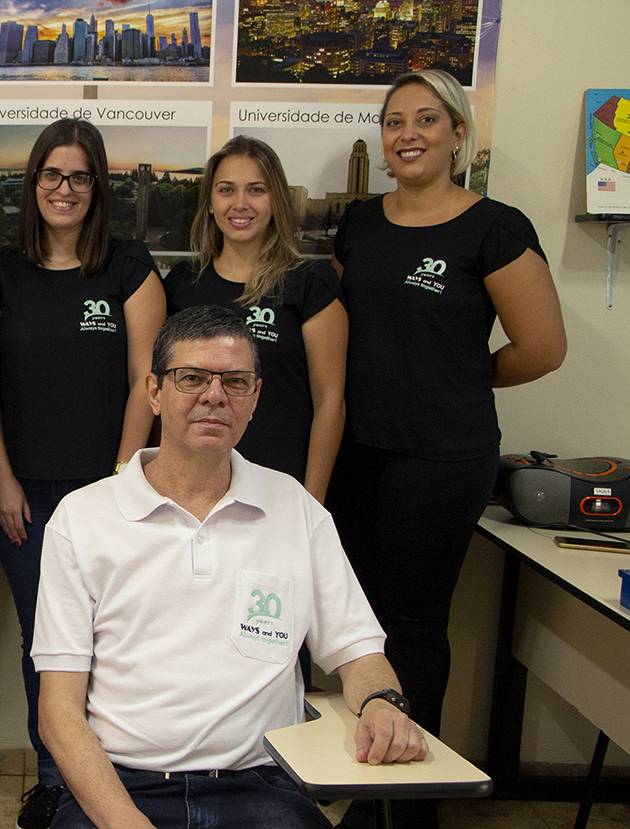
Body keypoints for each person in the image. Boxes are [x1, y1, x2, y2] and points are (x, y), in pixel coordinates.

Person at [33, 306, 428, 829]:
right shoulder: (82, 518)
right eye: (192, 378)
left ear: (255, 398)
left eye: (236, 382)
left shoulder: (295, 509)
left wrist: (382, 703)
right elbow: (58, 713)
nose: (214, 396)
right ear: (154, 391)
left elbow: (359, 653)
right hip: (120, 783)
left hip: (261, 786)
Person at [328, 69, 566, 828]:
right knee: (352, 623)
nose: (408, 134)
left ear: (458, 133)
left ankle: (407, 800)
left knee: (414, 622)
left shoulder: (495, 228)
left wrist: (462, 376)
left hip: (441, 458)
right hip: (355, 453)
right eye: (395, 121)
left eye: (427, 120)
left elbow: (542, 347)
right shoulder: (361, 224)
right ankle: (362, 770)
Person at [0, 118, 166, 829]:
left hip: (111, 494)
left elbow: (148, 380)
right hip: (22, 494)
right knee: (45, 645)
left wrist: (123, 481)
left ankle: (119, 783)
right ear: (33, 184)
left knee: (114, 643)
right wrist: (0, 473)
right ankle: (57, 782)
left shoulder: (128, 265)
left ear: (97, 187)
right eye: (52, 175)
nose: (64, 188)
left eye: (79, 176)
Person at [165, 136, 346, 503]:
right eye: (226, 190)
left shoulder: (309, 284)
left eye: (256, 190)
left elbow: (330, 403)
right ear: (211, 204)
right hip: (193, 490)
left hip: (280, 489)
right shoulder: (182, 285)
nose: (240, 204)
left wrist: (311, 504)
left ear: (276, 200)